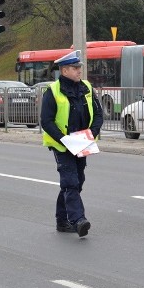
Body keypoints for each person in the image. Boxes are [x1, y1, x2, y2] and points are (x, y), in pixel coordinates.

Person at [40, 51, 103, 237]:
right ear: (64, 70)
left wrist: (93, 133)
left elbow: (98, 114)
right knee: (70, 182)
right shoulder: (52, 91)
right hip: (63, 144)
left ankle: (61, 220)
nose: (79, 71)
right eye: (75, 68)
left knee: (77, 183)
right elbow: (47, 121)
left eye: (79, 68)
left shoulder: (87, 88)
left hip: (83, 142)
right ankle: (78, 220)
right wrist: (64, 139)